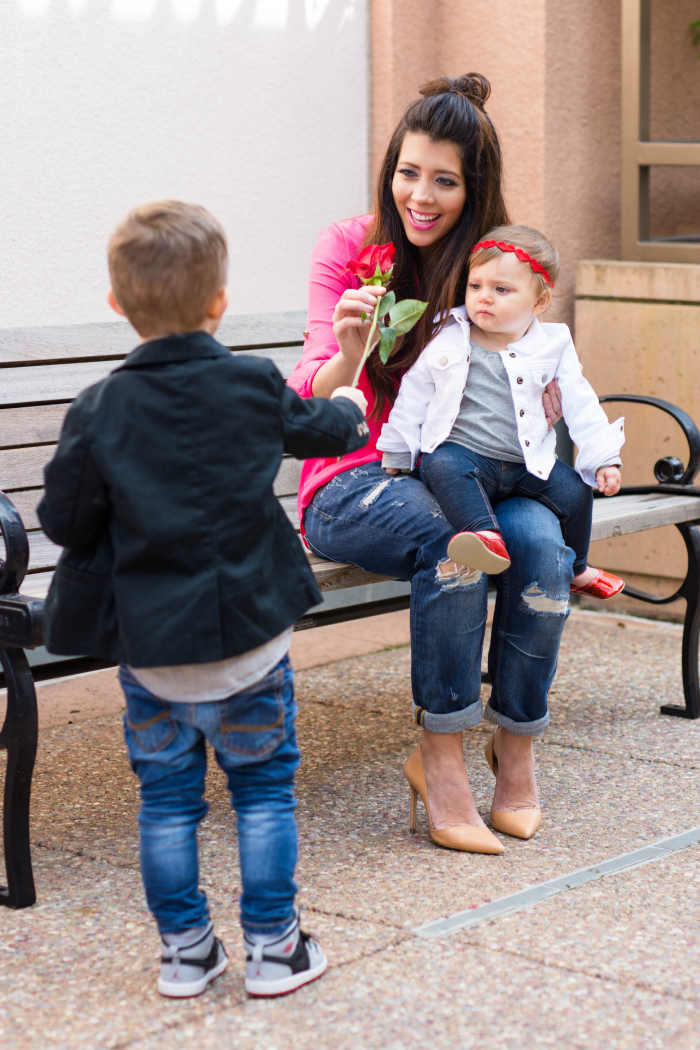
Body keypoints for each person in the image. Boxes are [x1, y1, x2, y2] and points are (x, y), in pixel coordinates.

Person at [37, 200, 369, 999]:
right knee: (261, 793)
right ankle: (275, 950)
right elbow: (327, 428)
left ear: (117, 304)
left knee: (166, 805)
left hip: (153, 651)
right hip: (252, 640)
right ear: (219, 302)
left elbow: (62, 520)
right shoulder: (251, 382)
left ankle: (187, 952)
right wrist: (353, 394)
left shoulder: (100, 408)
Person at [288, 74, 578, 853]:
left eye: (444, 181)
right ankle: (441, 758)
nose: (420, 195)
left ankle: (514, 752)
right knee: (451, 546)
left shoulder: (492, 264)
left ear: (473, 190)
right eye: (407, 172)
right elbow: (307, 395)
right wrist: (349, 355)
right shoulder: (351, 249)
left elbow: (538, 374)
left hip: (472, 471)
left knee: (545, 549)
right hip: (355, 479)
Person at [377, 223, 626, 601]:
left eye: (501, 290)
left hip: (525, 464)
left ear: (539, 302)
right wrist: (398, 447)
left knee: (576, 492)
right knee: (441, 464)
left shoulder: (553, 345)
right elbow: (415, 392)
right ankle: (483, 536)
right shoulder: (448, 333)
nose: (484, 298)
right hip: (465, 453)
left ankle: (577, 569)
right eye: (476, 286)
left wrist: (605, 459)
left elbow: (580, 402)